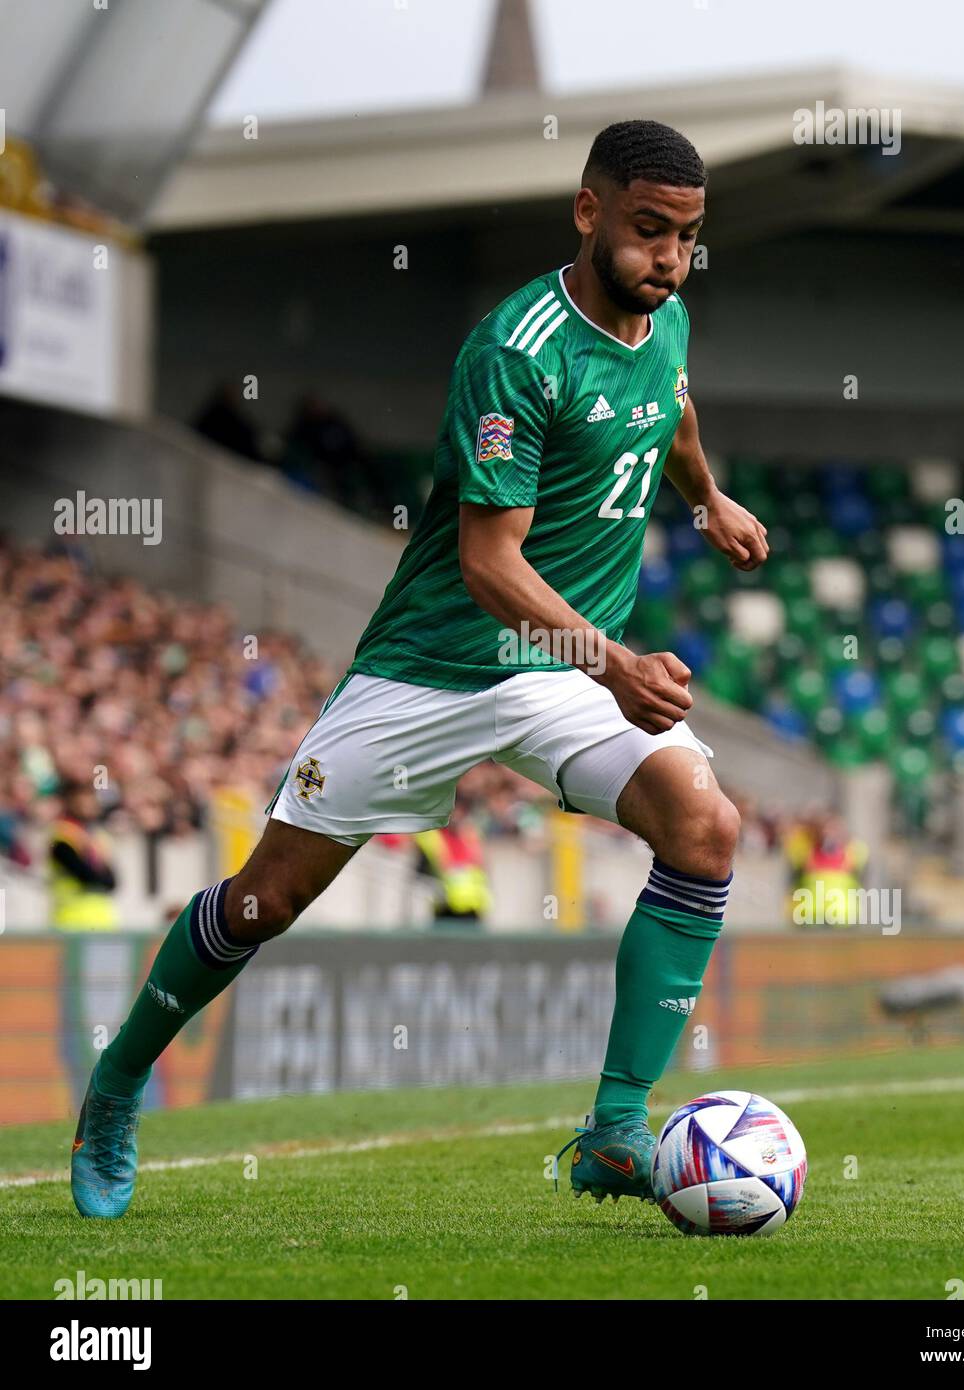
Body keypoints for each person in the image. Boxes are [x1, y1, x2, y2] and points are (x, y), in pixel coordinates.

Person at [70, 119, 769, 1219]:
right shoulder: (513, 351)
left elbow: (667, 406)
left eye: (685, 236)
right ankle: (115, 1086)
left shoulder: (664, 316)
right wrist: (617, 662)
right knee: (264, 900)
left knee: (705, 826)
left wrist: (705, 496)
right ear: (587, 213)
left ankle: (616, 1127)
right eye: (647, 232)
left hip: (557, 675)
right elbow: (489, 564)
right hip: (436, 665)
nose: (669, 259)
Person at [48, 784, 118, 931]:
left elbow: (112, 881)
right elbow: (87, 876)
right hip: (70, 920)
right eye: (82, 801)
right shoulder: (62, 837)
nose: (88, 805)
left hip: (101, 920)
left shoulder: (97, 836)